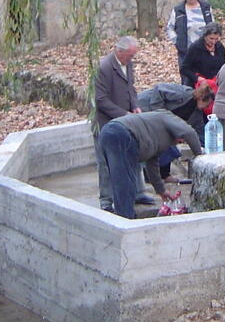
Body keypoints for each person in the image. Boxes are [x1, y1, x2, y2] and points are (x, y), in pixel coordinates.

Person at [98, 110, 203, 219]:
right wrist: (200, 159)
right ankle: (126, 222)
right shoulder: (167, 117)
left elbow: (152, 165)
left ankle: (123, 218)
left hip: (108, 133)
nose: (181, 142)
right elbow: (190, 133)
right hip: (121, 133)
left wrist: (161, 190)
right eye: (182, 140)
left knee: (119, 181)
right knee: (125, 183)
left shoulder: (158, 139)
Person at [92, 36, 151, 211]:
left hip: (126, 122)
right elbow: (100, 99)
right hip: (106, 123)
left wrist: (135, 106)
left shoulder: (128, 64)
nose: (131, 59)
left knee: (134, 156)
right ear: (119, 51)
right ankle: (106, 199)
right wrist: (123, 113)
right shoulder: (104, 68)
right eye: (130, 55)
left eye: (133, 56)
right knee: (105, 162)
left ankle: (138, 192)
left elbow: (130, 88)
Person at [137, 82, 215, 180]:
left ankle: (164, 174)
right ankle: (153, 174)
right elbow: (159, 89)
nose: (207, 107)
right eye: (207, 104)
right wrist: (158, 112)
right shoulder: (183, 93)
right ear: (201, 98)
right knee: (158, 139)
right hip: (145, 108)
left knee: (168, 140)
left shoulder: (196, 114)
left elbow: (198, 132)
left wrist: (208, 150)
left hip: (162, 121)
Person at [165, 0, 214, 67]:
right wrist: (177, 41)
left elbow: (213, 26)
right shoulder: (178, 10)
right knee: (187, 77)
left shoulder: (206, 8)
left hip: (205, 50)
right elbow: (170, 28)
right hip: (186, 52)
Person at [180, 22, 225, 88]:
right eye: (211, 38)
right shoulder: (195, 48)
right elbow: (184, 69)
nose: (213, 42)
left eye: (216, 39)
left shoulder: (219, 47)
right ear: (205, 36)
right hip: (198, 86)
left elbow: (223, 66)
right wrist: (197, 78)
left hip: (216, 84)